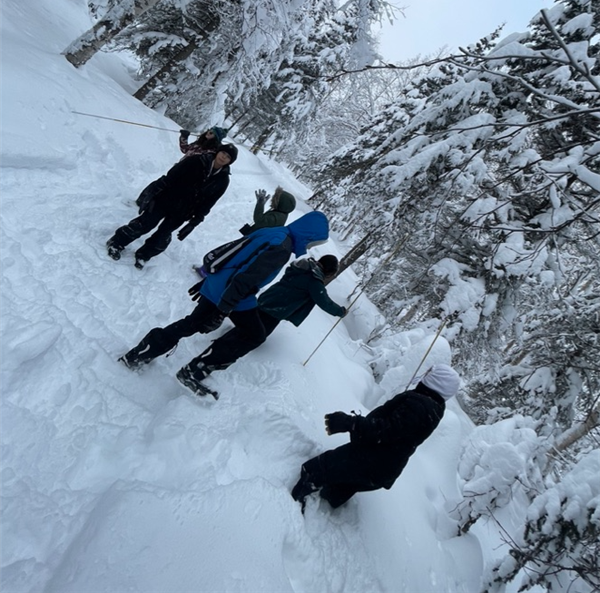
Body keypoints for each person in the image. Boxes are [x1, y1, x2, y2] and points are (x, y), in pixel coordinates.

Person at [118, 211, 331, 395]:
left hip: (219, 282)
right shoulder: (281, 249)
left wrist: (208, 283)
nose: (312, 246)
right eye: (315, 241)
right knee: (255, 335)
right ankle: (195, 371)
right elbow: (245, 278)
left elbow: (235, 253)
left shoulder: (276, 232)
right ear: (308, 235)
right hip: (232, 291)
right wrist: (224, 309)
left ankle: (140, 353)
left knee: (194, 322)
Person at [291, 363, 460, 511]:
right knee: (338, 488)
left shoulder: (419, 406)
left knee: (315, 469)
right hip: (382, 468)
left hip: (370, 460)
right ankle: (329, 501)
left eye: (430, 373)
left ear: (437, 381)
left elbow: (386, 431)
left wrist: (351, 423)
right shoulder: (433, 406)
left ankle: (291, 508)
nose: (425, 375)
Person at [185, 254, 347, 381]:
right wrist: (340, 311)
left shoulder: (303, 268)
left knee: (245, 332)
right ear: (328, 271)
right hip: (275, 311)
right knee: (250, 338)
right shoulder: (314, 282)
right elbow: (324, 302)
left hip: (264, 302)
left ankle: (212, 354)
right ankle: (204, 365)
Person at [107, 145, 237, 268]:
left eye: (228, 157)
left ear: (230, 162)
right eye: (223, 153)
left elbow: (210, 202)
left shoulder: (223, 180)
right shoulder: (197, 160)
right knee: (145, 223)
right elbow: (172, 174)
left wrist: (195, 221)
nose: (224, 157)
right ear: (218, 151)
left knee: (163, 235)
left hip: (184, 211)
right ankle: (116, 243)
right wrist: (155, 190)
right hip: (166, 199)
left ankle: (144, 255)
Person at [136, 127, 227, 211]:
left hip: (188, 175)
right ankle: (141, 201)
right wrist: (184, 137)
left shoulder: (212, 152)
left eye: (212, 133)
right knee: (158, 184)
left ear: (216, 138)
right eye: (209, 130)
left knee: (166, 190)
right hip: (179, 168)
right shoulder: (200, 143)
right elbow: (185, 149)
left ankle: (152, 208)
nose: (208, 133)